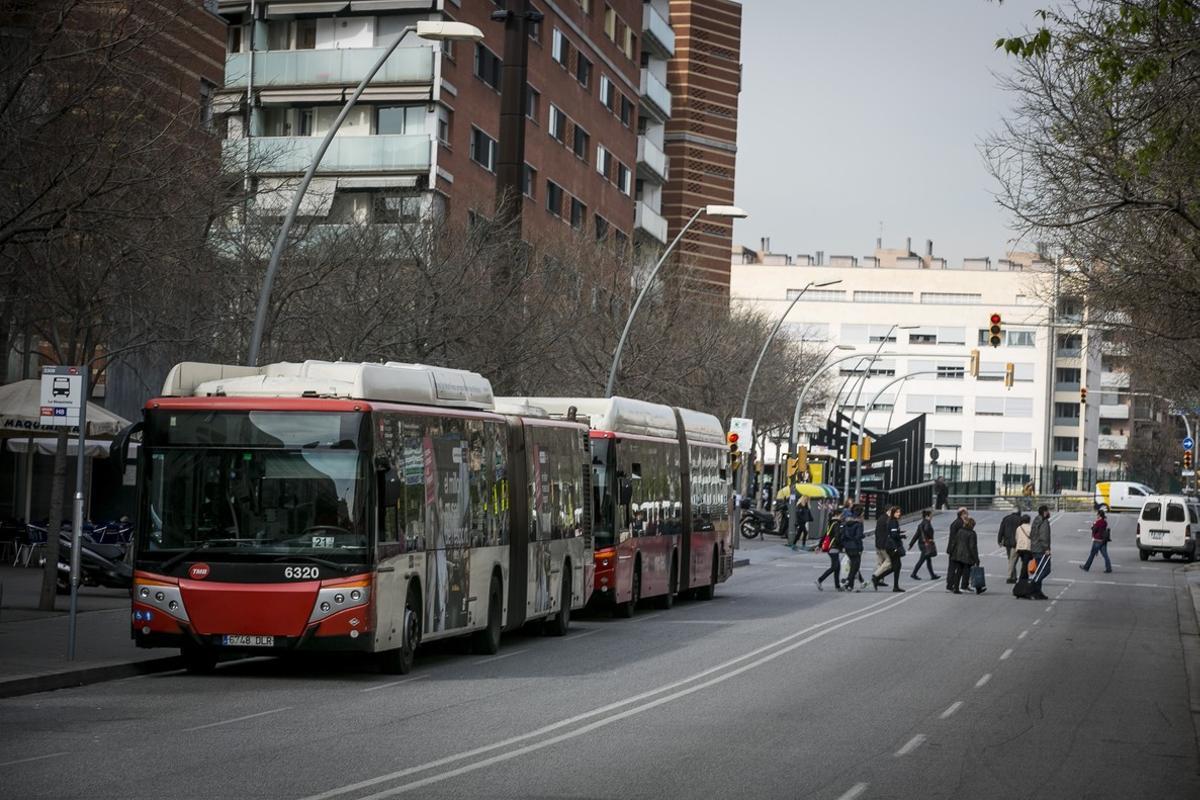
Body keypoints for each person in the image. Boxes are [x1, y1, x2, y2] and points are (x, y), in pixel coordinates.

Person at [873, 506, 907, 592]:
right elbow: (893, 535)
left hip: (891, 546)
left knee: (895, 566)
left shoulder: (891, 521)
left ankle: (879, 579)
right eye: (897, 512)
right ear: (893, 513)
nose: (899, 514)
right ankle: (877, 578)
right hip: (893, 547)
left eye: (899, 512)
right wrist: (901, 536)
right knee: (895, 566)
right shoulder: (893, 521)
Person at [947, 515, 980, 594]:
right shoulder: (972, 534)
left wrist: (951, 552)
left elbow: (954, 542)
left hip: (958, 555)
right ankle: (969, 586)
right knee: (968, 571)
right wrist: (976, 559)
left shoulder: (960, 531)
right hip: (967, 556)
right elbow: (972, 547)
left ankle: (956, 588)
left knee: (958, 572)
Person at [840, 504, 866, 592]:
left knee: (853, 566)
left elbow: (843, 534)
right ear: (860, 513)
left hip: (848, 546)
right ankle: (848, 581)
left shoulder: (847, 522)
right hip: (855, 546)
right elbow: (858, 536)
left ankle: (850, 585)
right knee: (856, 566)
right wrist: (862, 536)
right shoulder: (859, 523)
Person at [908, 509, 940, 580]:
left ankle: (932, 575)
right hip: (926, 544)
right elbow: (927, 530)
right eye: (931, 515)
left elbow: (916, 535)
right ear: (927, 516)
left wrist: (911, 544)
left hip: (922, 544)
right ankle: (914, 573)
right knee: (922, 560)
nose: (932, 517)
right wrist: (930, 537)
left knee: (928, 559)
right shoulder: (927, 523)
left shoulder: (921, 524)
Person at [1029, 504, 1052, 600]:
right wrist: (1046, 548)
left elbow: (1031, 534)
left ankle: (1038, 592)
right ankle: (1034, 584)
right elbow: (1044, 536)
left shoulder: (1035, 520)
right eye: (1048, 511)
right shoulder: (1044, 522)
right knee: (1046, 569)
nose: (1049, 512)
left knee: (1040, 569)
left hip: (1034, 548)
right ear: (1045, 512)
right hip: (1041, 549)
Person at [945, 507, 971, 592]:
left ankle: (952, 585)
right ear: (962, 514)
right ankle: (952, 585)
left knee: (953, 568)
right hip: (956, 550)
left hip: (953, 549)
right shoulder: (960, 523)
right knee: (955, 568)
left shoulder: (955, 522)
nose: (968, 515)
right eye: (966, 513)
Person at [816, 515, 843, 591]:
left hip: (830, 548)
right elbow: (837, 537)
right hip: (834, 548)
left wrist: (820, 545)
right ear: (837, 515)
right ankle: (819, 580)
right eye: (840, 515)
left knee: (837, 567)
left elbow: (825, 535)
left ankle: (837, 586)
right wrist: (841, 545)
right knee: (834, 567)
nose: (842, 517)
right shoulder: (837, 524)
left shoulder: (830, 524)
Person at [1080, 508, 1112, 573]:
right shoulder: (1105, 522)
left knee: (1092, 554)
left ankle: (1086, 567)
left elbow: (1094, 530)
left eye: (1097, 515)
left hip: (1097, 540)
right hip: (1103, 540)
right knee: (1105, 555)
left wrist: (1093, 525)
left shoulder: (1098, 522)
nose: (1096, 516)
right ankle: (1108, 568)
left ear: (1099, 515)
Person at [997, 508, 1023, 584]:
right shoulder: (1020, 519)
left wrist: (999, 540)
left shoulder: (1006, 518)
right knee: (1013, 560)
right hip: (1016, 542)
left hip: (1007, 542)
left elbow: (1001, 530)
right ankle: (1010, 577)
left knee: (1010, 559)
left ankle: (1013, 576)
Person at [871, 506, 892, 588]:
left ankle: (879, 580)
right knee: (888, 562)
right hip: (884, 544)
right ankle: (875, 576)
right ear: (889, 510)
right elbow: (887, 533)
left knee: (880, 562)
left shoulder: (880, 518)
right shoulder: (887, 520)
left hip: (878, 543)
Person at [1014, 513, 1033, 594]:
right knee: (1025, 564)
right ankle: (1022, 578)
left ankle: (1025, 577)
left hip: (1020, 548)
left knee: (1024, 562)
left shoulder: (1019, 528)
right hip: (1027, 547)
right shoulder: (1030, 527)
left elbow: (1016, 537)